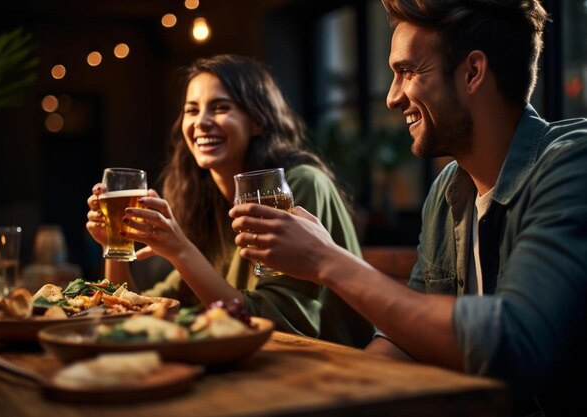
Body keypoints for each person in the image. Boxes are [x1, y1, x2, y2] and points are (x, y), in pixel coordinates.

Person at [230, 0, 587, 415]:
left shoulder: (571, 166)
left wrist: (328, 260)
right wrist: (318, 393)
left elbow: (514, 344)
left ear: (472, 72)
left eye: (408, 72)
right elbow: (405, 342)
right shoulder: (446, 192)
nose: (391, 97)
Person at [86, 54, 376, 348]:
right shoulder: (205, 202)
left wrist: (181, 250)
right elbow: (143, 310)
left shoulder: (293, 187)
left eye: (221, 107)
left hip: (330, 367)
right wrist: (113, 245)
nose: (201, 122)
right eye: (192, 110)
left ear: (257, 122)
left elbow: (275, 326)